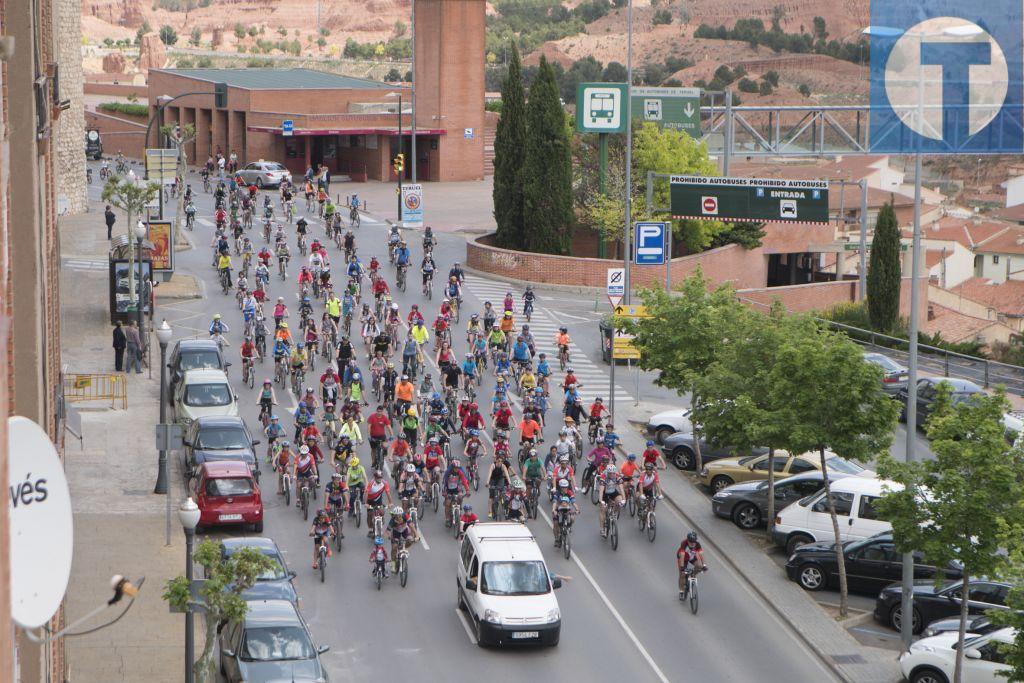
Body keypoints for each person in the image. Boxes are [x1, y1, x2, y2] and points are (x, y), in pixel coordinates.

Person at [597, 463, 625, 538]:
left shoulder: (617, 476)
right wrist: (601, 501)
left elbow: (621, 489)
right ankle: (602, 528)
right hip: (604, 493)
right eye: (610, 473)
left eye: (613, 473)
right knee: (603, 509)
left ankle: (614, 514)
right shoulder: (603, 476)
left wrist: (624, 500)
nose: (612, 475)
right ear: (607, 472)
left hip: (613, 491)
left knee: (619, 501)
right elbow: (601, 490)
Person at [677, 531, 707, 599]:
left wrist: (704, 565)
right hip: (683, 558)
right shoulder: (684, 543)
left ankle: (693, 574)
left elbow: (701, 554)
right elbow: (682, 555)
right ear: (688, 540)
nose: (693, 543)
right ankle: (681, 591)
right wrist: (682, 568)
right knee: (682, 574)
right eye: (691, 541)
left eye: (694, 541)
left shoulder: (697, 544)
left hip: (691, 556)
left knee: (699, 566)